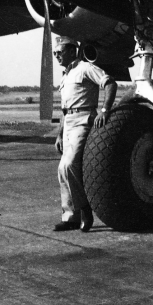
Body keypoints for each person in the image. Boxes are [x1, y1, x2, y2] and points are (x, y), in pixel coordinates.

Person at [53, 36, 116, 232]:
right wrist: (59, 134)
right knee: (62, 171)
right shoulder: (66, 75)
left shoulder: (85, 68)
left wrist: (105, 110)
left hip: (83, 119)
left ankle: (85, 210)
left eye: (59, 52)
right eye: (55, 53)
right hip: (68, 123)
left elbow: (110, 83)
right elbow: (65, 109)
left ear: (72, 51)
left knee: (69, 165)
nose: (57, 56)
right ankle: (71, 217)